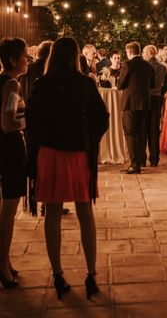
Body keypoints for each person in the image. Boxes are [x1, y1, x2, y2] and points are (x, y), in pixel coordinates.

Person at [26, 37, 108, 300]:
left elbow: (32, 121)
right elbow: (102, 118)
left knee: (52, 213)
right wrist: (88, 139)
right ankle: (91, 274)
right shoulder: (85, 84)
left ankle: (58, 274)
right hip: (78, 154)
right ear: (75, 56)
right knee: (85, 212)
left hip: (50, 154)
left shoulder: (42, 84)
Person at [0, 38, 28, 289]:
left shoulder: (4, 81)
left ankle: (5, 260)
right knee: (8, 212)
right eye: (24, 55)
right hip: (9, 150)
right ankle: (2, 267)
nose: (27, 59)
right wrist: (26, 122)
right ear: (12, 60)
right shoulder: (11, 84)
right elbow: (8, 123)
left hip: (5, 149)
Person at [118, 42, 154, 174]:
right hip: (144, 103)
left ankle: (134, 164)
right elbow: (152, 84)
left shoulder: (127, 65)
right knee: (141, 133)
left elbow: (120, 85)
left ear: (129, 52)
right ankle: (140, 161)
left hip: (130, 103)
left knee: (129, 133)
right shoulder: (148, 66)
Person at [143, 45, 167, 167]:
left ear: (149, 53)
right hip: (157, 98)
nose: (143, 54)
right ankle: (154, 158)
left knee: (143, 128)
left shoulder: (144, 66)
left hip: (145, 99)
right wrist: (160, 92)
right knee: (154, 129)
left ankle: (142, 158)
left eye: (144, 52)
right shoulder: (163, 67)